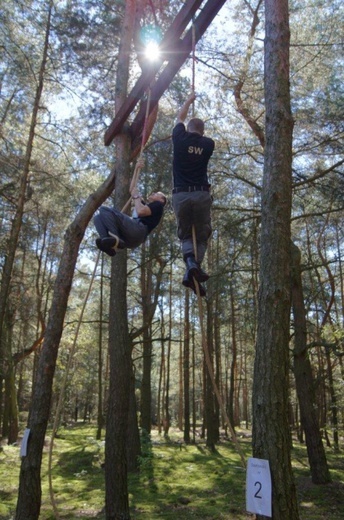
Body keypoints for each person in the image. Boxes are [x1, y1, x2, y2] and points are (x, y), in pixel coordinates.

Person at [172, 92, 215, 296]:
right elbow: (191, 129)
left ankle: (191, 264)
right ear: (203, 131)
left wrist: (188, 101)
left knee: (186, 234)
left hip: (180, 196)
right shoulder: (208, 144)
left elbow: (179, 118)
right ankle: (193, 267)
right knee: (203, 233)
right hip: (200, 195)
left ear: (187, 129)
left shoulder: (179, 139)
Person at [94, 187, 167, 257]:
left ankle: (115, 239)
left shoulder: (158, 205)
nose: (154, 193)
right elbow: (132, 189)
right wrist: (135, 193)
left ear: (162, 200)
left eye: (157, 194)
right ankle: (107, 244)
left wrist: (136, 196)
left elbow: (140, 211)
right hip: (131, 240)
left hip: (138, 230)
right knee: (97, 218)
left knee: (104, 209)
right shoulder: (147, 206)